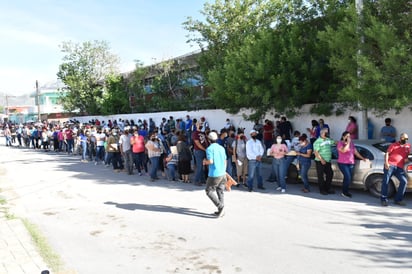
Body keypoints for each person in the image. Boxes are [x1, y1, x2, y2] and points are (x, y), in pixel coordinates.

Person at [380, 133, 410, 206]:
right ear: (400, 138)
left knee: (404, 181)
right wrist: (386, 163)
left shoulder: (408, 146)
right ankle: (383, 199)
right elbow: (387, 153)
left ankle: (398, 199)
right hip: (390, 165)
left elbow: (406, 157)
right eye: (404, 138)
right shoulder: (393, 145)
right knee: (386, 182)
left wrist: (407, 160)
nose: (405, 140)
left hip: (399, 168)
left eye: (407, 139)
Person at [203, 131, 227, 218]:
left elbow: (211, 161)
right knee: (220, 191)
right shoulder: (221, 148)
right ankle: (221, 210)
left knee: (208, 191)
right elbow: (225, 161)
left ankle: (220, 207)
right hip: (222, 172)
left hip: (214, 173)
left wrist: (205, 162)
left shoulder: (209, 149)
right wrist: (224, 170)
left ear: (209, 140)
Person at [337, 131, 368, 198]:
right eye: (347, 136)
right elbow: (343, 150)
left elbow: (356, 152)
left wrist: (363, 158)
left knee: (348, 178)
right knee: (347, 177)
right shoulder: (340, 143)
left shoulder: (351, 143)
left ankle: (345, 190)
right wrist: (347, 143)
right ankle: (345, 192)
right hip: (343, 163)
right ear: (343, 136)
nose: (348, 137)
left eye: (349, 136)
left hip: (351, 163)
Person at [313, 128, 335, 195]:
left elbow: (334, 142)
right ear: (322, 133)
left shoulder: (328, 140)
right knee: (321, 176)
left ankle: (327, 188)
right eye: (326, 132)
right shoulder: (318, 141)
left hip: (327, 161)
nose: (327, 133)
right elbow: (316, 152)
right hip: (320, 161)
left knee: (330, 174)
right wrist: (321, 160)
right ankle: (322, 190)